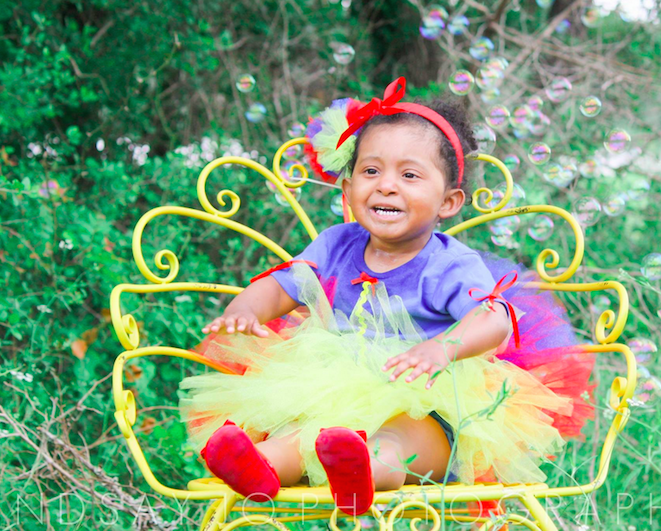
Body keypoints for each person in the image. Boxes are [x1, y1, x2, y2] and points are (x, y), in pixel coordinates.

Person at [178, 77, 595, 517]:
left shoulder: (448, 264)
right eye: (371, 171)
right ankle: (258, 468)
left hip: (427, 397)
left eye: (409, 174)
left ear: (449, 202)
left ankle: (364, 473)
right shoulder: (335, 245)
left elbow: (495, 318)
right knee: (299, 439)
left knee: (395, 442)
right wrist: (245, 308)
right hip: (332, 391)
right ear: (347, 189)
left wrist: (443, 346)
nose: (386, 186)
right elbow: (282, 285)